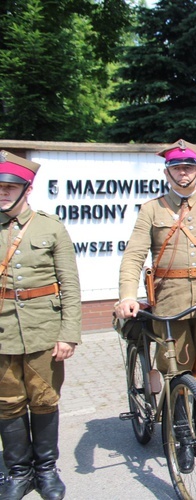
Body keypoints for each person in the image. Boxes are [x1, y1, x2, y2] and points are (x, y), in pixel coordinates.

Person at [115, 139, 196, 467]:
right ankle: (181, 438)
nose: (183, 174)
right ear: (167, 172)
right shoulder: (151, 210)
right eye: (176, 168)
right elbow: (133, 257)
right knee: (175, 371)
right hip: (170, 305)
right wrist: (127, 294)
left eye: (189, 167)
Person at [0, 151, 81, 500]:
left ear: (26, 189)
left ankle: (46, 470)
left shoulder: (51, 227)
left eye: (9, 187)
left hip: (44, 330)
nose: (3, 193)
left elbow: (70, 283)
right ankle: (19, 472)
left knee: (45, 400)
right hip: (2, 333)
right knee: (7, 403)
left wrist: (69, 334)